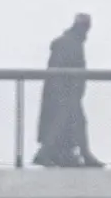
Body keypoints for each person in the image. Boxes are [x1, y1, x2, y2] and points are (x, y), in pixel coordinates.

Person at [34, 14, 101, 168]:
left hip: (68, 93)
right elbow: (60, 70)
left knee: (68, 123)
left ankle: (55, 153)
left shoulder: (71, 42)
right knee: (66, 123)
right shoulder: (69, 43)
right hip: (65, 93)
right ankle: (48, 153)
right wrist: (65, 91)